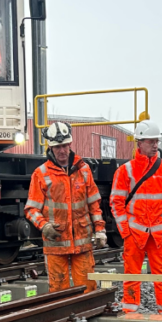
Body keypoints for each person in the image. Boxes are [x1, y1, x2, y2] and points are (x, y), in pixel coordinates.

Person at [110, 120, 162, 314]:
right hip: (135, 233)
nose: (155, 145)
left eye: (157, 141)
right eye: (151, 141)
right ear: (139, 143)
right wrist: (126, 232)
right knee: (131, 274)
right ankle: (129, 310)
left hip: (159, 233)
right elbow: (116, 202)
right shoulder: (125, 170)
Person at [25, 121, 107, 293]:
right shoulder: (41, 173)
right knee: (58, 292)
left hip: (82, 242)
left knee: (87, 289)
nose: (62, 150)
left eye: (64, 146)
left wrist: (100, 230)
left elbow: (94, 204)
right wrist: (44, 226)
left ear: (70, 144)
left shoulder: (83, 170)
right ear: (50, 147)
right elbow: (31, 209)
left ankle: (86, 311)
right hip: (56, 243)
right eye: (57, 147)